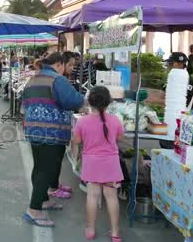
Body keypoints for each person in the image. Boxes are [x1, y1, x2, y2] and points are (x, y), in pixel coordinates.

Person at [22, 52, 84, 228]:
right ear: (60, 64)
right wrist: (85, 100)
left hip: (34, 130)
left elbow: (25, 103)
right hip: (51, 132)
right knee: (45, 171)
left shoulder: (33, 79)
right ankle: (34, 210)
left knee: (40, 167)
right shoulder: (57, 79)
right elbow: (73, 101)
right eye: (67, 65)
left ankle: (43, 200)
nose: (67, 69)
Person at [73, 86, 124, 241]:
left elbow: (77, 141)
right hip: (111, 163)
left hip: (91, 163)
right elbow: (120, 138)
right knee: (112, 197)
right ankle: (115, 233)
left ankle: (90, 229)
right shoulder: (115, 120)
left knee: (92, 196)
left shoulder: (82, 121)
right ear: (108, 102)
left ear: (89, 102)